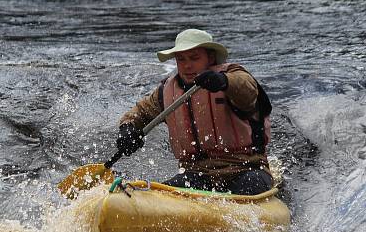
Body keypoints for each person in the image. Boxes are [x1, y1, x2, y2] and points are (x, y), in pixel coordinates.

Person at [116, 28, 274, 195]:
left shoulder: (232, 76)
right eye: (181, 59)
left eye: (194, 58)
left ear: (211, 57)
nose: (187, 65)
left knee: (249, 186)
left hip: (246, 169)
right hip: (197, 175)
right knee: (164, 192)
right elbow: (140, 113)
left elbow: (247, 88)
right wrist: (127, 128)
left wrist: (223, 81)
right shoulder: (166, 92)